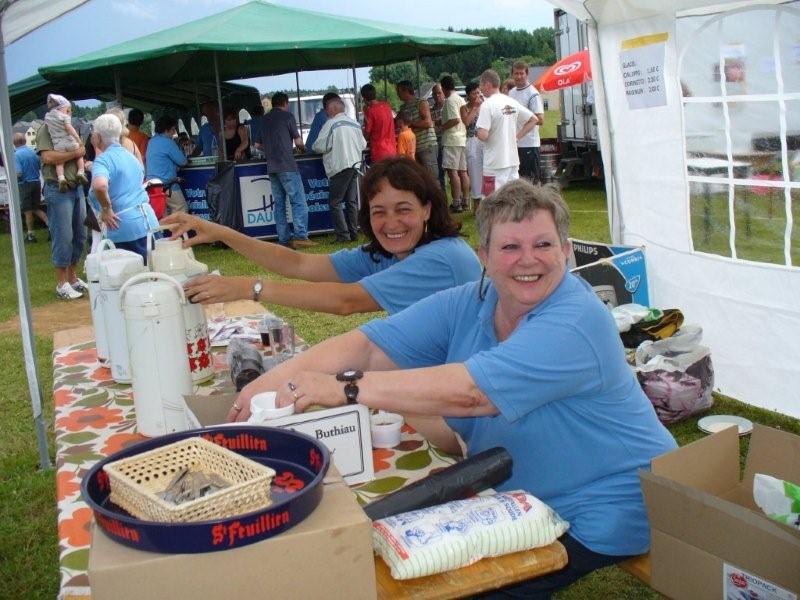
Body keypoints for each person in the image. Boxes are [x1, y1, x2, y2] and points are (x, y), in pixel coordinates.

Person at [231, 180, 678, 598]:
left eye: (543, 245)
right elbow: (366, 347)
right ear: (483, 254)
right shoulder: (473, 299)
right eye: (510, 247)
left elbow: (472, 394)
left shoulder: (575, 319)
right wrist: (259, 396)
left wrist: (346, 389)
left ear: (565, 251)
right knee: (372, 543)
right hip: (513, 489)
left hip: (601, 506)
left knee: (430, 583)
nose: (528, 260)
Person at [161, 157, 481, 317]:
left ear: (427, 209)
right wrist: (222, 232)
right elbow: (300, 263)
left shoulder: (443, 257)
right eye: (379, 211)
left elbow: (346, 301)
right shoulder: (385, 255)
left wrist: (249, 287)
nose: (391, 222)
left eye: (403, 209)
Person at [89, 114, 158, 262]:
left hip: (124, 228)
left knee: (130, 278)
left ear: (98, 137)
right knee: (154, 273)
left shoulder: (103, 160)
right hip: (149, 222)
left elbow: (100, 186)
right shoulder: (130, 156)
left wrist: (106, 209)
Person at [36, 112, 88, 300]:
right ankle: (62, 283)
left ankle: (72, 278)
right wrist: (74, 153)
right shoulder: (45, 129)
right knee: (63, 235)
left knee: (80, 234)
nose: (68, 114)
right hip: (57, 189)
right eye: (65, 110)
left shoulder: (69, 127)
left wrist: (71, 153)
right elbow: (48, 157)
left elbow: (82, 150)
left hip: (77, 187)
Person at [255, 92, 315, 249]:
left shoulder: (264, 119)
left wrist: (270, 150)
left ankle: (283, 238)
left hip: (272, 167)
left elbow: (257, 145)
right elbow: (298, 140)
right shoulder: (288, 117)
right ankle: (300, 235)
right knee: (298, 201)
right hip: (287, 165)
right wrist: (301, 148)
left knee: (279, 204)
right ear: (285, 103)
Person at [476, 69, 537, 196]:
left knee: (491, 201)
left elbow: (483, 135)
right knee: (513, 199)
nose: (480, 89)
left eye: (481, 85)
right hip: (512, 161)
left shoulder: (487, 105)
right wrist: (517, 137)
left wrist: (477, 127)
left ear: (487, 84)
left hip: (494, 163)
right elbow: (533, 119)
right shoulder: (511, 101)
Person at [312, 97, 366, 242]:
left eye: (327, 109)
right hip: (355, 165)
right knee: (351, 201)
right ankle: (354, 233)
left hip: (339, 166)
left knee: (335, 202)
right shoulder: (355, 124)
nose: (326, 112)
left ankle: (343, 235)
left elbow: (319, 146)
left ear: (334, 109)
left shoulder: (331, 124)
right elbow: (363, 144)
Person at [508, 61, 545, 183]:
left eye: (521, 73)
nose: (518, 77)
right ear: (512, 75)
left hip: (530, 143)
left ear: (527, 74)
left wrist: (523, 117)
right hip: (515, 143)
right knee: (518, 180)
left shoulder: (533, 93)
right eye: (516, 73)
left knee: (531, 181)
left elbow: (540, 119)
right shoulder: (511, 93)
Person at [44, 93, 88, 192]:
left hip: (58, 145)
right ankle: (81, 172)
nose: (70, 112)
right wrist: (78, 146)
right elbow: (47, 158)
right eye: (68, 110)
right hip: (59, 192)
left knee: (60, 164)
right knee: (79, 155)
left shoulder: (48, 119)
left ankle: (61, 178)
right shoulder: (64, 119)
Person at [396, 80, 438, 182]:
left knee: (431, 178)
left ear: (406, 90)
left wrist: (409, 124)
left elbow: (428, 122)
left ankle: (438, 197)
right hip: (413, 147)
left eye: (399, 91)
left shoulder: (421, 102)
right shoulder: (403, 108)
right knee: (420, 178)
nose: (397, 94)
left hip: (427, 145)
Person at [145, 115, 188, 214]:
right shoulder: (168, 142)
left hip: (152, 186)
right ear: (166, 130)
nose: (174, 133)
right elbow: (183, 162)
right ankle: (179, 230)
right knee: (181, 209)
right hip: (167, 184)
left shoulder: (151, 141)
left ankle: (167, 230)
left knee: (163, 215)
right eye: (173, 129)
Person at [439, 76, 469, 213]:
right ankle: (465, 201)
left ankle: (456, 202)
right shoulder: (460, 98)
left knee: (452, 172)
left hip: (452, 139)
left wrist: (441, 127)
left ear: (443, 88)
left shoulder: (450, 100)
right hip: (462, 137)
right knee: (463, 171)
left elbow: (455, 120)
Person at [13, 132, 48, 242]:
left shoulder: (16, 155)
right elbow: (39, 167)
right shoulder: (33, 153)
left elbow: (18, 173)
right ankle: (51, 226)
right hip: (36, 182)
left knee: (27, 210)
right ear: (25, 141)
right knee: (36, 208)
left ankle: (30, 235)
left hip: (25, 184)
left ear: (14, 143)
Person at [461, 82, 485, 212]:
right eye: (473, 93)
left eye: (478, 92)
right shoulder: (464, 108)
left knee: (487, 172)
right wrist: (475, 108)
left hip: (485, 140)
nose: (477, 95)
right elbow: (466, 122)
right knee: (475, 174)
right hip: (472, 141)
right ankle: (477, 204)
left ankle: (488, 203)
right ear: (468, 95)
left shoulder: (486, 104)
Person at [360, 83, 396, 162]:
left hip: (379, 151)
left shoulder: (370, 111)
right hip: (392, 148)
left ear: (364, 98)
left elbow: (366, 134)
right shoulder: (387, 106)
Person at [430, 83, 447, 192]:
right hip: (437, 142)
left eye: (439, 93)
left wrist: (437, 124)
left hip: (448, 141)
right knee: (439, 171)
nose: (437, 96)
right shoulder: (431, 110)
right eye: (435, 94)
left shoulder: (448, 106)